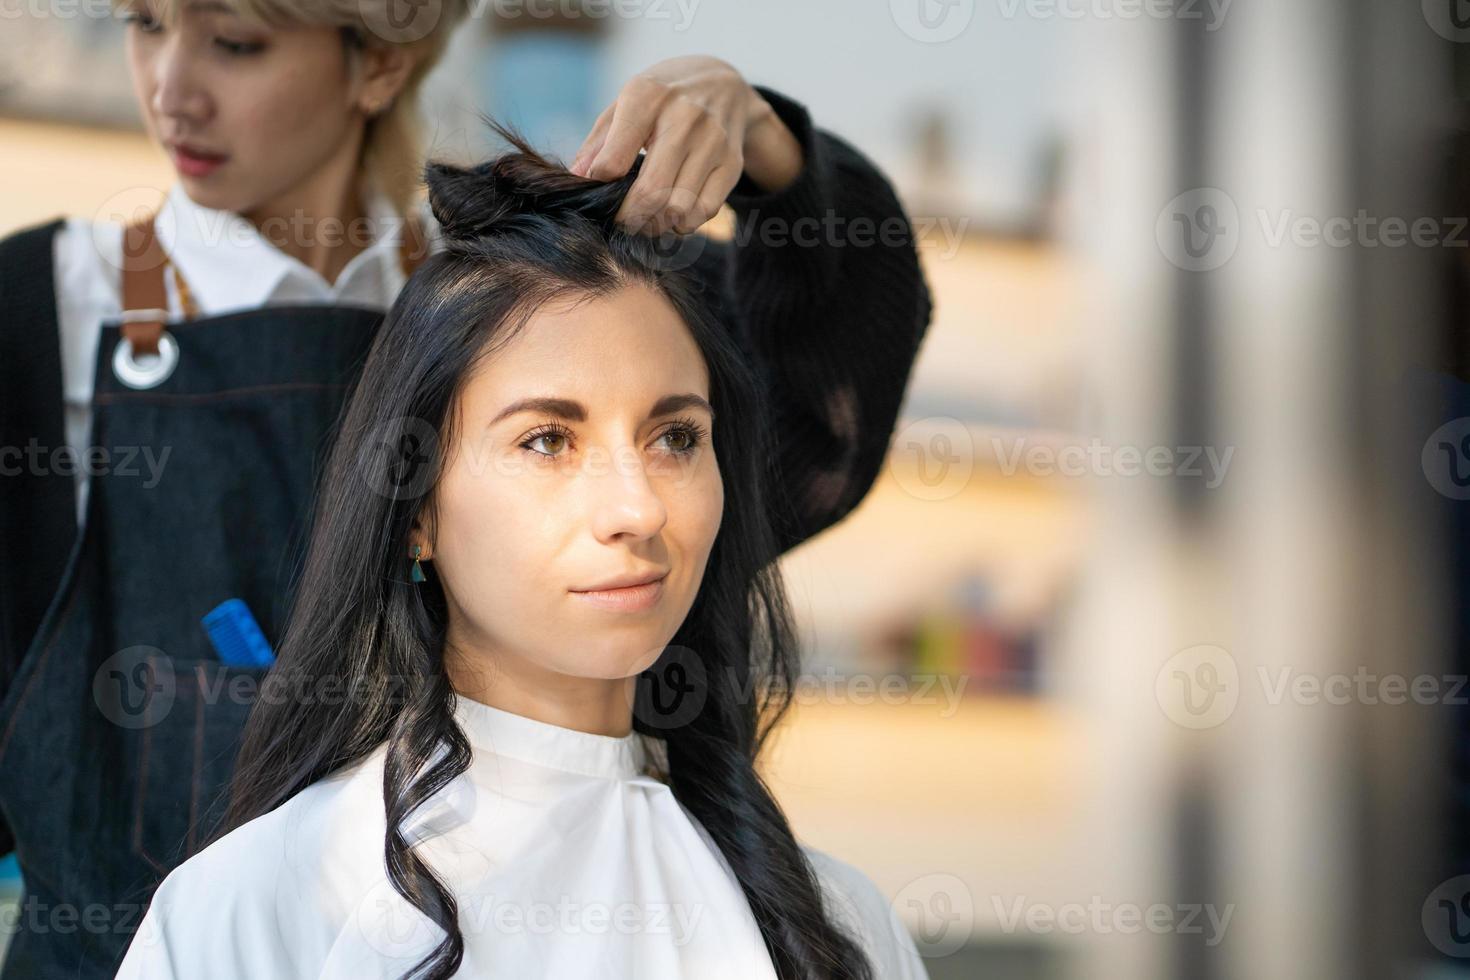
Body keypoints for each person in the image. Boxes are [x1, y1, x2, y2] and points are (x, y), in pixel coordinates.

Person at [0, 1, 932, 977]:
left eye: (237, 43)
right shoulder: (41, 310)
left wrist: (768, 148)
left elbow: (825, 400)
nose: (169, 91)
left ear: (380, 64)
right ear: (411, 514)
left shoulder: (521, 291)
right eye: (140, 25)